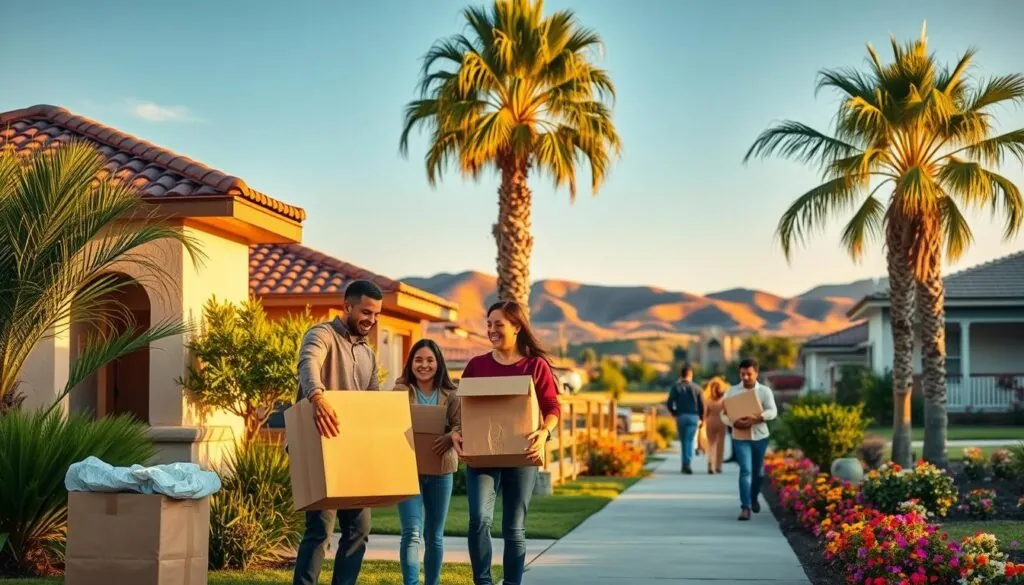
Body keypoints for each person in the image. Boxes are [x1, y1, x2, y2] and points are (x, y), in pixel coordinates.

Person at [450, 300, 561, 585]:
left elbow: (552, 407)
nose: (491, 330)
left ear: (516, 327)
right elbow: (464, 408)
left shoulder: (534, 366)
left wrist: (545, 432)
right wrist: (458, 432)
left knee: (514, 528)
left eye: (498, 324)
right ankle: (483, 582)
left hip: (522, 454)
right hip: (482, 456)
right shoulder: (477, 366)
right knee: (478, 521)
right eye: (488, 325)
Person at [292, 280, 383, 585]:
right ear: (347, 307)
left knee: (359, 531)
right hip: (321, 448)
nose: (371, 319)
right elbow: (309, 362)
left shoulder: (368, 355)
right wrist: (317, 397)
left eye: (376, 314)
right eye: (366, 311)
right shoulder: (322, 335)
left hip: (354, 454)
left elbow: (373, 400)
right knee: (320, 530)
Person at [392, 339, 461, 585]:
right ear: (410, 364)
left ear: (438, 363)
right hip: (407, 470)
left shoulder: (451, 395)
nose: (424, 365)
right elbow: (389, 425)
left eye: (429, 360)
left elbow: (460, 425)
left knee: (434, 537)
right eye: (418, 360)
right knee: (411, 533)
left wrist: (452, 435)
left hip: (441, 470)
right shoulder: (399, 392)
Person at [719, 358, 778, 521]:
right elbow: (723, 414)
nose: (745, 377)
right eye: (742, 374)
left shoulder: (764, 391)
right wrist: (733, 422)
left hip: (760, 436)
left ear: (756, 373)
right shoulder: (732, 391)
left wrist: (759, 416)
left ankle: (753, 499)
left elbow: (773, 411)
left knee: (758, 473)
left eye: (749, 374)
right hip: (740, 436)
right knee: (745, 470)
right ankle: (745, 507)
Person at [665, 364, 704, 474]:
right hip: (693, 416)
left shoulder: (676, 387)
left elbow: (669, 403)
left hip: (681, 416)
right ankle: (688, 462)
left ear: (681, 375)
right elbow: (702, 405)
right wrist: (702, 418)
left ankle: (684, 464)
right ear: (690, 374)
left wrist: (674, 413)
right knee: (691, 440)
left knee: (683, 441)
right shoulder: (697, 388)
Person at [702, 377, 728, 474]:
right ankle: (718, 466)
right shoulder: (724, 399)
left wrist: (703, 422)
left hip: (710, 421)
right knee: (720, 445)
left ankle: (710, 463)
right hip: (721, 421)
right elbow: (727, 412)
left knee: (711, 444)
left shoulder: (708, 400)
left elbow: (705, 413)